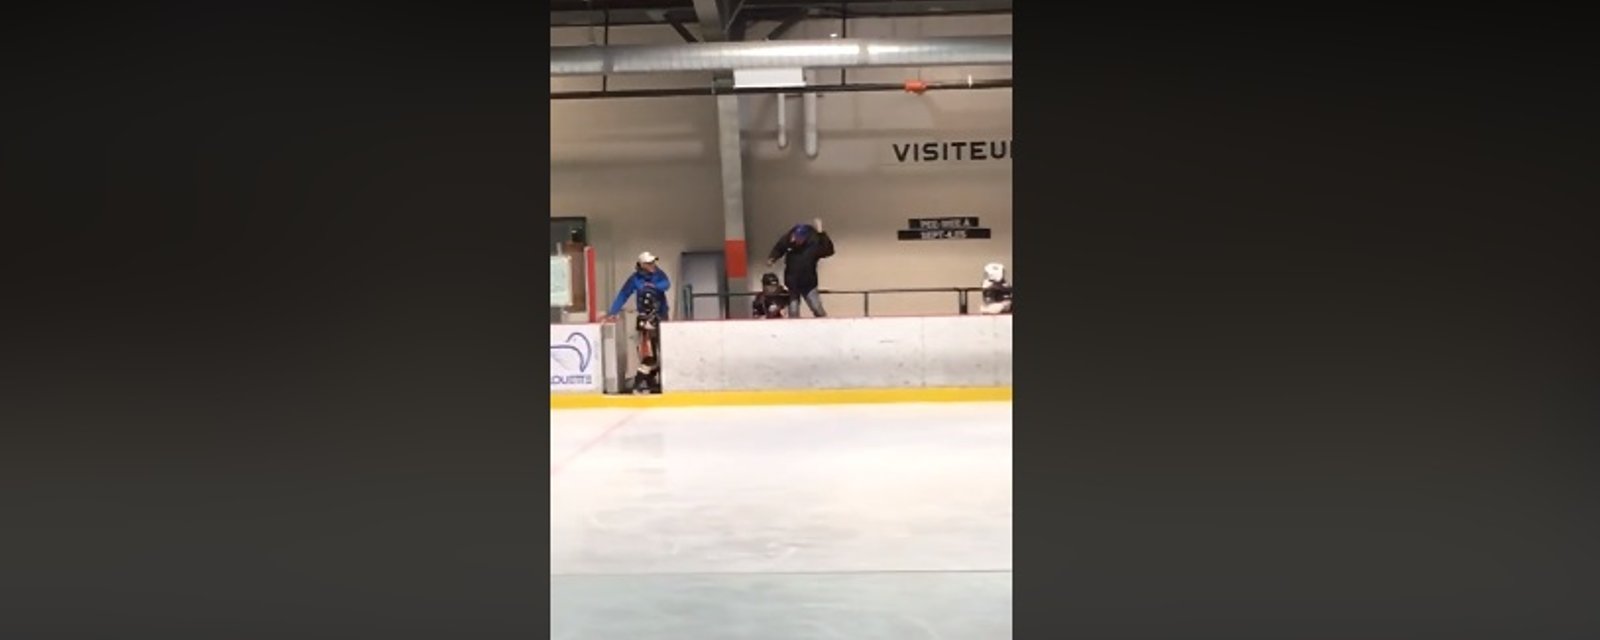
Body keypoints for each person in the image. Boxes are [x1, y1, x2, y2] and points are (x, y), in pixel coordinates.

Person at [603, 252, 671, 393]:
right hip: (645, 320)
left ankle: (651, 381)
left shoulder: (659, 274)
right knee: (648, 353)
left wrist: (652, 286)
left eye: (653, 262)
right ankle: (640, 384)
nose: (653, 265)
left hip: (661, 317)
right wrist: (612, 312)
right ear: (641, 265)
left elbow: (666, 285)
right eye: (649, 263)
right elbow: (623, 294)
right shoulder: (635, 279)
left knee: (662, 351)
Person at [765, 218, 834, 318]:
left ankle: (826, 326)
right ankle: (794, 331)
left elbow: (828, 250)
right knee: (793, 310)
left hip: (809, 283)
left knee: (817, 308)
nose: (795, 240)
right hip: (793, 283)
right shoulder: (788, 240)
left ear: (804, 238)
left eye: (799, 239)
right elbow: (779, 248)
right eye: (794, 237)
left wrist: (821, 234)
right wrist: (773, 258)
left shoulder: (814, 244)